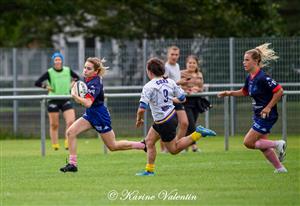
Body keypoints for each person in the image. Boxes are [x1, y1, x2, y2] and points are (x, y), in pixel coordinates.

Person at [60, 57, 146, 173]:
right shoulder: (88, 79)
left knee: (113, 146)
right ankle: (72, 164)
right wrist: (78, 94)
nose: (85, 70)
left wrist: (75, 96)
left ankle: (141, 145)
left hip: (100, 116)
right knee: (70, 132)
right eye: (85, 67)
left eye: (88, 69)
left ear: (96, 71)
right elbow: (86, 101)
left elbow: (88, 103)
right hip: (90, 115)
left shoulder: (95, 83)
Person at [135, 57, 216, 176]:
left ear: (149, 72)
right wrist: (171, 99)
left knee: (174, 149)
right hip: (170, 116)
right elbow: (182, 98)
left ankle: (198, 133)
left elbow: (142, 108)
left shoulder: (149, 86)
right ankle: (149, 170)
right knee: (149, 142)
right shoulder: (170, 82)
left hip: (164, 121)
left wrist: (139, 119)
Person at [218, 43, 287, 173]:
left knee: (248, 142)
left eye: (247, 60)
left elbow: (279, 91)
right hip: (258, 115)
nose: (244, 62)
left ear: (256, 61)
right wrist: (229, 93)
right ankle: (280, 168)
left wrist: (268, 108)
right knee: (262, 145)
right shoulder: (250, 77)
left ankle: (278, 144)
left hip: (267, 115)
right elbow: (244, 92)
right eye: (243, 59)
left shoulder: (263, 77)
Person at [35, 52, 79, 150]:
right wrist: (46, 87)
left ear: (62, 61)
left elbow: (77, 77)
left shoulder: (67, 70)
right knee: (54, 124)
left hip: (65, 98)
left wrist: (72, 84)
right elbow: (37, 82)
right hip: (53, 99)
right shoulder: (50, 72)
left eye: (59, 59)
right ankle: (55, 144)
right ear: (53, 61)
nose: (58, 61)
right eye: (56, 60)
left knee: (71, 121)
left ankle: (67, 141)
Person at [177, 55, 212, 152]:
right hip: (185, 101)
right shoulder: (181, 73)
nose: (191, 65)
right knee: (190, 125)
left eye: (194, 63)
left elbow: (201, 87)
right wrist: (186, 90)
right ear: (186, 64)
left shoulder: (199, 74)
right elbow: (176, 86)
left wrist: (198, 90)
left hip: (196, 101)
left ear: (197, 64)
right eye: (190, 63)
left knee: (191, 124)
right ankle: (194, 146)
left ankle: (185, 146)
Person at [161, 45, 188, 153]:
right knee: (162, 125)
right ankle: (163, 150)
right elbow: (164, 84)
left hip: (176, 98)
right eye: (172, 54)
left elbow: (175, 83)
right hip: (168, 99)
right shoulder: (165, 67)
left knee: (184, 123)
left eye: (176, 55)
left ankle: (176, 145)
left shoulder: (177, 65)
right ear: (168, 55)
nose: (174, 56)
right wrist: (179, 82)